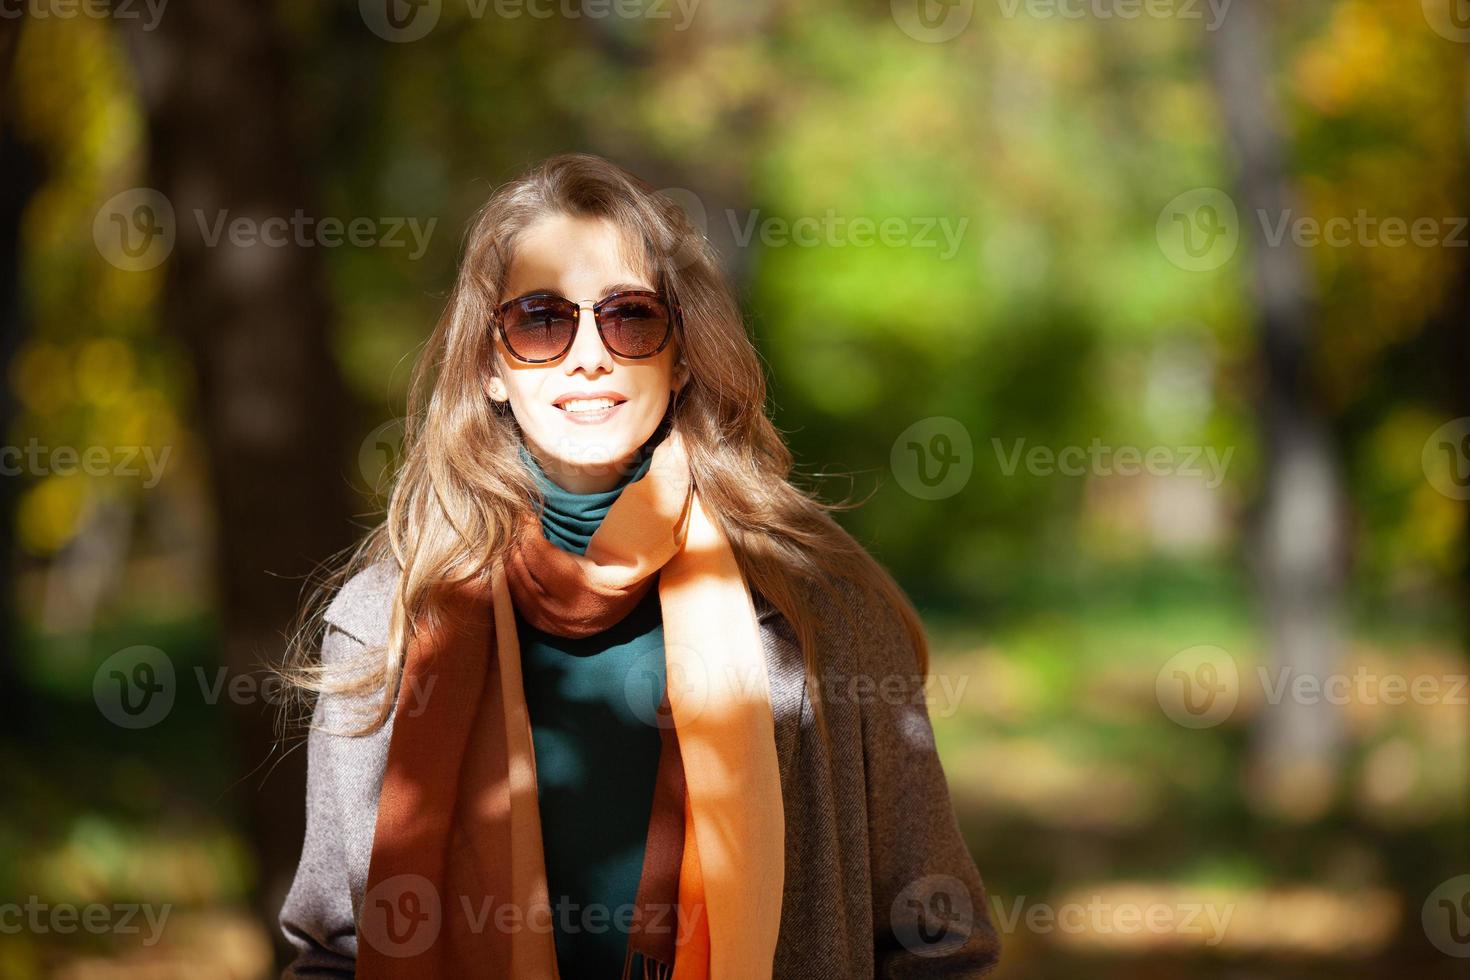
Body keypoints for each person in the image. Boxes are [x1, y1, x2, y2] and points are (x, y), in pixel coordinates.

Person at [275, 152, 1001, 978]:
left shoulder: (818, 615)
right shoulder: (389, 624)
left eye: (629, 318)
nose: (590, 356)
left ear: (681, 355)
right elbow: (336, 951)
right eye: (543, 320)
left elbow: (938, 943)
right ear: (490, 367)